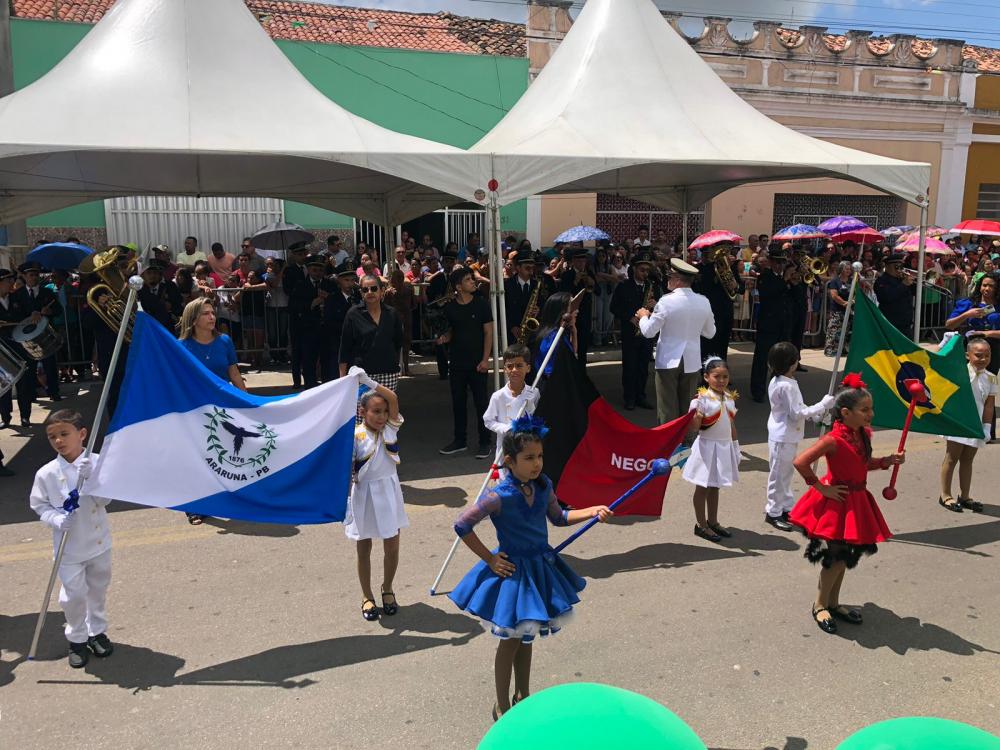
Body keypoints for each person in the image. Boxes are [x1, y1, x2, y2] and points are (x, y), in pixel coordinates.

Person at [448, 415, 613, 720]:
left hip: (540, 568)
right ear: (509, 461)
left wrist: (592, 511)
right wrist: (490, 559)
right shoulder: (498, 496)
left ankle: (523, 695)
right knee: (510, 641)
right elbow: (462, 525)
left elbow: (559, 517)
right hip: (515, 574)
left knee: (526, 636)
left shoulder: (543, 485)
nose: (537, 463)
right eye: (529, 458)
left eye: (539, 456)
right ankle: (502, 705)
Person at [788, 374, 904, 634]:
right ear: (845, 412)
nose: (870, 414)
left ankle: (834, 602)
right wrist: (821, 487)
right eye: (865, 410)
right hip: (837, 503)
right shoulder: (833, 440)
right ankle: (820, 605)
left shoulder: (861, 435)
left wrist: (887, 461)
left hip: (857, 501)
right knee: (837, 556)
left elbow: (862, 465)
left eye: (871, 408)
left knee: (846, 556)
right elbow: (800, 462)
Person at [29, 409, 113, 668]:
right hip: (69, 549)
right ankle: (77, 638)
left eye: (64, 434)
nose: (58, 441)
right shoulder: (47, 473)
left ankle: (96, 632)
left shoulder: (97, 462)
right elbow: (39, 505)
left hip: (99, 543)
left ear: (82, 434)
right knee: (73, 596)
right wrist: (56, 520)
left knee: (97, 591)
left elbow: (105, 501)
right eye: (52, 436)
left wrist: (94, 480)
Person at [346, 371, 408, 622]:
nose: (382, 416)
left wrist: (368, 382)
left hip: (389, 492)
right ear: (362, 412)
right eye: (375, 412)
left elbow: (392, 398)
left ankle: (388, 588)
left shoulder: (391, 428)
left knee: (392, 546)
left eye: (384, 412)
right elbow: (346, 468)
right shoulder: (354, 436)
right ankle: (366, 595)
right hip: (364, 494)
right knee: (364, 548)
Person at [178, 299, 246, 525]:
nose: (212, 317)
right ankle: (194, 505)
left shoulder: (224, 341)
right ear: (193, 319)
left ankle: (223, 498)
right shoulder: (181, 346)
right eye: (206, 313)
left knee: (222, 456)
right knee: (196, 458)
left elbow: (234, 374)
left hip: (223, 407)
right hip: (194, 409)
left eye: (212, 312)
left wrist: (247, 402)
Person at [764, 342, 835, 532]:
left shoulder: (786, 382)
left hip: (788, 435)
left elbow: (799, 408)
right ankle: (773, 512)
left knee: (785, 475)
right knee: (778, 476)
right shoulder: (785, 385)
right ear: (793, 363)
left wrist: (817, 415)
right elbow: (796, 413)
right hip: (783, 436)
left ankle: (785, 507)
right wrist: (821, 405)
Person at [636, 258, 716, 425]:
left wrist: (643, 317)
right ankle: (687, 445)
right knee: (688, 408)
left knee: (667, 409)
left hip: (668, 360)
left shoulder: (666, 300)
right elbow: (710, 333)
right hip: (692, 360)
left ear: (678, 280)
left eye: (670, 276)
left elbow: (649, 332)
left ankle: (669, 447)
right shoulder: (704, 301)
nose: (668, 280)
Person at [435, 266, 493, 458]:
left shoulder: (481, 304)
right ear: (458, 286)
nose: (473, 282)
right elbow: (453, 330)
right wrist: (445, 337)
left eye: (472, 279)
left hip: (478, 363)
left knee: (481, 403)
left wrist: (486, 359)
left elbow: (488, 332)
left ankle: (485, 441)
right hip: (457, 362)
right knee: (458, 403)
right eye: (468, 280)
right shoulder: (450, 307)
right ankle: (460, 440)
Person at [682, 357, 741, 543]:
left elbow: (731, 424)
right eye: (717, 376)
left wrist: (735, 446)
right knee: (703, 487)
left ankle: (713, 521)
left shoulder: (730, 398)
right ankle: (701, 525)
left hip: (723, 447)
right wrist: (697, 416)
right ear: (706, 377)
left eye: (725, 376)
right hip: (706, 447)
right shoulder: (701, 399)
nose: (722, 380)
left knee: (715, 486)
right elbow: (693, 427)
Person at [938, 337, 995, 513]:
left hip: (975, 424)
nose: (983, 359)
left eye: (987, 355)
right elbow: (940, 365)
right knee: (952, 457)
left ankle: (965, 495)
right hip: (959, 422)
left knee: (968, 459)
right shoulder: (959, 372)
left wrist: (986, 427)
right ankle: (945, 495)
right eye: (978, 355)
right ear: (967, 355)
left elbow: (989, 405)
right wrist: (946, 345)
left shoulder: (991, 378)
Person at [339, 275, 404, 397]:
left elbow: (398, 342)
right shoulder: (353, 314)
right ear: (361, 293)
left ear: (382, 290)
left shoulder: (392, 314)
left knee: (386, 414)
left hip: (388, 373)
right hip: (361, 375)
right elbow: (345, 348)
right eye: (365, 290)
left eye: (374, 288)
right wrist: (342, 380)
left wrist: (395, 363)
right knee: (362, 414)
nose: (370, 292)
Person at [610, 250, 656, 410]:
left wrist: (654, 306)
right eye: (642, 270)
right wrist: (629, 317)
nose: (645, 273)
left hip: (646, 333)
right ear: (634, 269)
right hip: (630, 332)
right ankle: (629, 397)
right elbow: (613, 307)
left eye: (647, 271)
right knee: (630, 367)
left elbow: (660, 310)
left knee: (643, 367)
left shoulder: (651, 286)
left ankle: (640, 396)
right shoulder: (624, 286)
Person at [14, 261, 62, 401]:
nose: (34, 278)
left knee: (50, 365)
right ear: (24, 276)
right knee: (29, 367)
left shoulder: (47, 292)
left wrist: (49, 311)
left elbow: (59, 310)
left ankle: (54, 392)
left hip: (45, 335)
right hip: (27, 337)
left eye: (36, 275)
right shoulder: (18, 295)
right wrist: (30, 316)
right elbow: (16, 314)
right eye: (31, 275)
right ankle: (31, 393)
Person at [750, 248, 794, 402]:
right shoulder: (765, 276)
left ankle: (778, 390)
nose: (781, 265)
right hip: (768, 323)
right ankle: (758, 391)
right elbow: (769, 294)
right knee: (762, 359)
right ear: (771, 262)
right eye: (778, 262)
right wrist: (785, 280)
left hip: (782, 323)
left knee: (781, 359)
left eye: (783, 262)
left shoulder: (782, 277)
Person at [483, 344, 540, 460]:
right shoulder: (498, 396)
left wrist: (530, 406)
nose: (514, 370)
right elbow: (488, 420)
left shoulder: (534, 393)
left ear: (528, 368)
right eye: (510, 366)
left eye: (519, 366)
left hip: (527, 447)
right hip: (506, 449)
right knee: (507, 475)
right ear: (504, 369)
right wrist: (505, 428)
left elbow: (539, 417)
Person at [0, 267, 37, 428]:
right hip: (1, 349)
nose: (11, 284)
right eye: (8, 281)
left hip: (19, 347)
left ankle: (25, 417)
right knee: (4, 385)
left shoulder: (18, 297)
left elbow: (31, 311)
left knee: (24, 384)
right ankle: (5, 417)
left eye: (12, 280)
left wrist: (35, 314)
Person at [290, 255, 332, 389]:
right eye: (314, 270)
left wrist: (328, 300)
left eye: (320, 270)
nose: (318, 273)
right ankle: (310, 387)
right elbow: (293, 306)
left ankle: (327, 388)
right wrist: (312, 303)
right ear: (308, 270)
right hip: (307, 330)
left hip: (326, 330)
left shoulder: (329, 284)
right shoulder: (300, 285)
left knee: (327, 362)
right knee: (308, 361)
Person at [322, 261, 359, 381]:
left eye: (352, 280)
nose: (350, 283)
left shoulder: (358, 298)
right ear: (339, 281)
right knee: (337, 378)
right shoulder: (332, 299)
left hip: (356, 347)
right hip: (337, 345)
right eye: (346, 280)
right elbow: (329, 322)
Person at [558, 247, 594, 368]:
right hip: (572, 315)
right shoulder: (567, 275)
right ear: (573, 261)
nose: (582, 263)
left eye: (584, 261)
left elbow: (598, 291)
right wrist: (575, 282)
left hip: (585, 314)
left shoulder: (589, 273)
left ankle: (582, 373)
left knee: (583, 347)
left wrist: (591, 282)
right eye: (579, 261)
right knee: (571, 345)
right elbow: (563, 294)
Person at [530, 291, 577, 382]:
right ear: (562, 312)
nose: (576, 311)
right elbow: (549, 373)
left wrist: (574, 331)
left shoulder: (560, 333)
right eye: (572, 307)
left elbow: (573, 354)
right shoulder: (551, 338)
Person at [874, 253, 916, 337]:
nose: (899, 269)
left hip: (906, 324)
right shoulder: (882, 281)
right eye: (896, 266)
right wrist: (904, 284)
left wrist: (914, 282)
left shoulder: (902, 279)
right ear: (888, 266)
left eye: (901, 266)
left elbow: (915, 293)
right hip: (891, 323)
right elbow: (886, 297)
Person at [138, 259, 183, 332]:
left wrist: (171, 306)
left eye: (155, 273)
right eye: (149, 273)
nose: (152, 275)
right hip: (146, 327)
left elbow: (179, 307)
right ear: (143, 276)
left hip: (167, 327)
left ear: (160, 275)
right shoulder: (139, 290)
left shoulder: (170, 286)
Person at [504, 250, 539, 345]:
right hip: (513, 334)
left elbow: (545, 305)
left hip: (533, 333)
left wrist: (538, 310)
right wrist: (512, 326)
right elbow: (503, 309)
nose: (531, 272)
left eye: (532, 268)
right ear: (518, 268)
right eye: (527, 268)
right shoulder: (507, 285)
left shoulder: (538, 285)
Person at [824, 261, 853, 357]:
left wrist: (853, 301)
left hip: (849, 310)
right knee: (834, 330)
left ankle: (843, 349)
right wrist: (845, 303)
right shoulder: (834, 281)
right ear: (841, 269)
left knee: (846, 330)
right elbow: (834, 295)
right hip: (837, 310)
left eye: (849, 269)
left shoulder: (852, 281)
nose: (848, 271)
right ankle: (830, 350)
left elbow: (856, 292)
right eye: (846, 269)